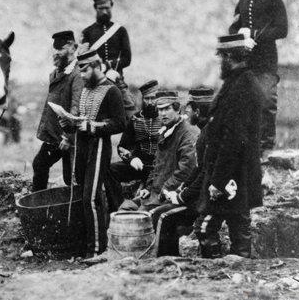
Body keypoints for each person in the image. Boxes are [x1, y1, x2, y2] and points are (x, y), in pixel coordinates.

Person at [190, 33, 263, 258]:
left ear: (229, 57)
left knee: (205, 228)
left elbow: (233, 139)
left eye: (221, 56)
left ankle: (215, 275)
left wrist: (218, 180)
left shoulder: (241, 86)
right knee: (239, 228)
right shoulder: (239, 82)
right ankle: (238, 275)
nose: (219, 62)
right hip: (238, 174)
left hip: (231, 175)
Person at [59, 50, 126, 257]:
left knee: (91, 198)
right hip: (81, 148)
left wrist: (93, 127)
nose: (82, 75)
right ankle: (86, 245)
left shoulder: (111, 91)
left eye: (85, 70)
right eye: (80, 70)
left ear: (97, 66)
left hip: (98, 148)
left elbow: (119, 123)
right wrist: (68, 124)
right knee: (82, 194)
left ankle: (97, 249)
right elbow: (81, 119)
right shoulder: (86, 90)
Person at [229, 0, 288, 158]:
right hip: (246, 63)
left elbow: (282, 29)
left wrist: (254, 34)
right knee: (245, 103)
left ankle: (266, 149)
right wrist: (240, 36)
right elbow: (233, 27)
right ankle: (248, 149)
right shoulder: (243, 2)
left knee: (267, 103)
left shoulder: (274, 0)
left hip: (266, 61)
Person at [153, 87, 215, 256]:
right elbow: (198, 169)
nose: (186, 113)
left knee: (163, 217)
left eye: (188, 108)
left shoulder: (208, 133)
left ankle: (165, 263)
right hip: (198, 195)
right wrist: (182, 188)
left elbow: (204, 175)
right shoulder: (205, 132)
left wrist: (181, 196)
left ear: (198, 111)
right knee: (160, 214)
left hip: (206, 200)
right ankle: (167, 261)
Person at [32, 30, 83, 192]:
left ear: (72, 47)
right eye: (55, 49)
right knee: (40, 164)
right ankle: (38, 204)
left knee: (71, 177)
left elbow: (77, 106)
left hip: (69, 136)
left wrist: (68, 137)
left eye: (60, 49)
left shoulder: (78, 73)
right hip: (54, 134)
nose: (56, 53)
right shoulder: (57, 71)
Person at [136, 90, 199, 211]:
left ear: (177, 109)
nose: (163, 114)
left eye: (167, 109)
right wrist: (148, 188)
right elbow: (157, 164)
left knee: (137, 220)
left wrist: (163, 190)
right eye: (160, 110)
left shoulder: (188, 133)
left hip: (173, 195)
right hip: (156, 193)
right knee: (125, 208)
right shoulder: (165, 130)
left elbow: (185, 171)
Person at [105, 79, 161, 212]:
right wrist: (131, 159)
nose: (151, 101)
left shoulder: (166, 117)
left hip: (159, 166)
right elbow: (122, 146)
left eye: (154, 98)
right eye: (147, 98)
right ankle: (118, 206)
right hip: (140, 165)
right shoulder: (135, 119)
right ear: (143, 99)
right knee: (110, 170)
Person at [80, 0, 134, 115]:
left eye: (107, 8)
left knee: (131, 114)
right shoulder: (87, 32)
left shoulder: (120, 31)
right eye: (101, 8)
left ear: (111, 5)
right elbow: (83, 60)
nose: (104, 11)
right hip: (95, 81)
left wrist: (108, 66)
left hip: (116, 79)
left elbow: (127, 59)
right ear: (95, 8)